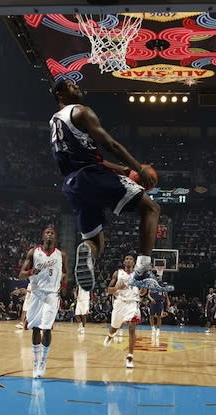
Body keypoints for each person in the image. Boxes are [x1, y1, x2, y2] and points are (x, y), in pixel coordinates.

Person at [49, 79, 172, 293]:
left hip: (73, 185)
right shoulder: (81, 112)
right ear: (60, 94)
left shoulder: (54, 122)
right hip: (92, 176)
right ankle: (142, 270)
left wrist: (123, 170)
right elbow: (111, 145)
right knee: (152, 208)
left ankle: (86, 251)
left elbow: (87, 157)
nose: (77, 86)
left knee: (96, 241)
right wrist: (138, 169)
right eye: (70, 85)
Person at [19, 227, 68, 378]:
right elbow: (21, 274)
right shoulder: (33, 252)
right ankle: (35, 360)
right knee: (35, 328)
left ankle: (43, 361)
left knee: (46, 328)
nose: (49, 235)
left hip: (52, 294)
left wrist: (64, 286)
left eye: (52, 233)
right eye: (47, 232)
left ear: (55, 237)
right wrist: (30, 272)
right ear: (43, 236)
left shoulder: (61, 255)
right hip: (36, 294)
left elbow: (65, 272)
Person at [103, 255, 145, 369]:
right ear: (123, 261)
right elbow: (108, 290)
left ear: (134, 262)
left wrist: (144, 288)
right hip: (119, 303)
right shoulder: (117, 273)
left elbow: (142, 293)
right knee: (114, 328)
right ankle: (110, 335)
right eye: (126, 258)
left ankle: (130, 357)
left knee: (132, 328)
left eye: (131, 259)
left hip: (132, 304)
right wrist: (117, 287)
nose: (128, 260)